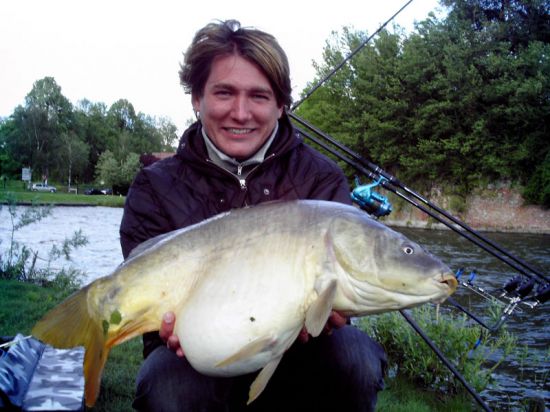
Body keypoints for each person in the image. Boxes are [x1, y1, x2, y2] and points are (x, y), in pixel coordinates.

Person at [120, 19, 386, 412]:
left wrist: (336, 312)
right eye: (224, 92)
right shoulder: (154, 188)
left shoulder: (321, 178)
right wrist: (164, 330)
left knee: (356, 357)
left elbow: (343, 295)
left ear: (281, 104)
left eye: (259, 96)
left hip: (301, 353)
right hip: (196, 359)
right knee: (166, 384)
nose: (240, 113)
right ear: (197, 98)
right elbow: (154, 315)